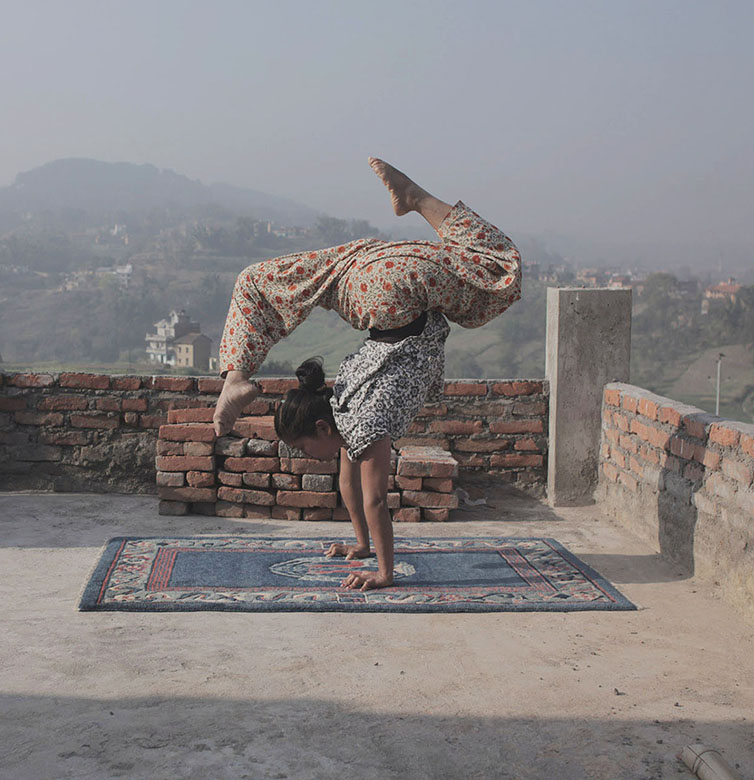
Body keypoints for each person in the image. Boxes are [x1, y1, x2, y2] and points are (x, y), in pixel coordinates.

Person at [213, 158, 522, 590]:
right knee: (254, 280)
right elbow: (348, 482)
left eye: (304, 448)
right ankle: (235, 376)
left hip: (391, 289)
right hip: (365, 268)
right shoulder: (341, 404)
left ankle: (415, 197)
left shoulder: (362, 421)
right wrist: (360, 544)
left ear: (322, 428)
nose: (308, 458)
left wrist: (383, 572)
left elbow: (375, 499)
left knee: (501, 272)